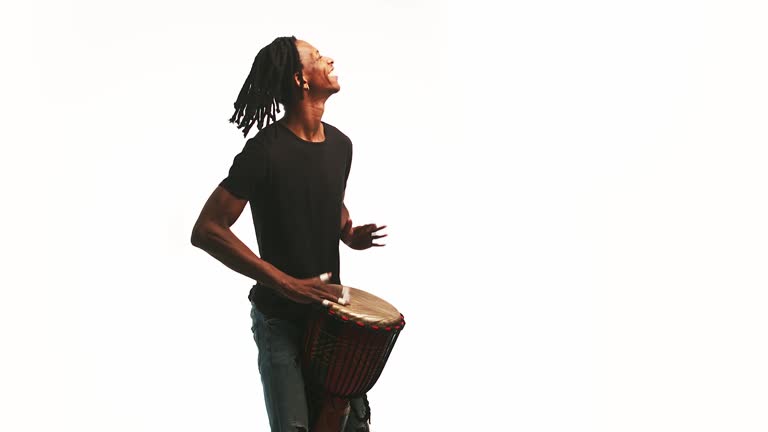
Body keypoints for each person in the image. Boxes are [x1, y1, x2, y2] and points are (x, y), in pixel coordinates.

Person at [190, 36, 387, 432]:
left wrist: (347, 231)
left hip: (332, 316)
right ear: (300, 79)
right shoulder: (264, 151)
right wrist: (284, 283)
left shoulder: (341, 146)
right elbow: (207, 229)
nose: (329, 58)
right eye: (317, 56)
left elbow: (330, 199)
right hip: (279, 320)